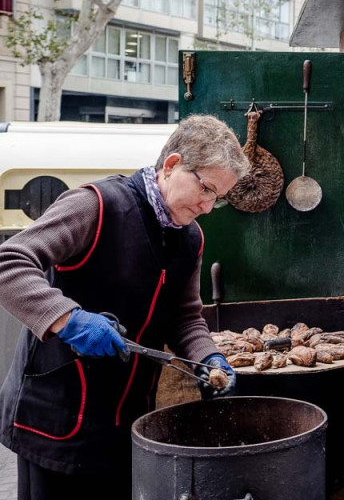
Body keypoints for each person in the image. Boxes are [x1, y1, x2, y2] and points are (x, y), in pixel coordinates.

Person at [0, 114, 250, 500]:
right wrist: (69, 320)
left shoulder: (190, 239)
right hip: (59, 417)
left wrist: (209, 358)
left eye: (218, 198)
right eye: (206, 189)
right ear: (171, 165)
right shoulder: (97, 205)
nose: (208, 205)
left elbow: (184, 317)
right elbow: (9, 263)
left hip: (127, 423)